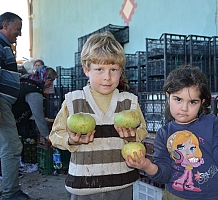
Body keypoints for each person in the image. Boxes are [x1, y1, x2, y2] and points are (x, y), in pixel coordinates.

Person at [125, 65, 218, 200]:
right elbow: (165, 175)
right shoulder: (164, 133)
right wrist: (147, 166)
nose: (184, 108)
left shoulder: (212, 123)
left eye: (192, 102)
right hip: (175, 196)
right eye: (178, 99)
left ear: (202, 102)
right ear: (168, 96)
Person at [49, 32, 148, 200]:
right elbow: (55, 134)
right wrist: (71, 140)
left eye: (113, 69)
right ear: (86, 69)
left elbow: (142, 131)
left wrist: (133, 138)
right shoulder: (74, 101)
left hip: (121, 185)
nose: (107, 77)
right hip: (84, 187)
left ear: (121, 70)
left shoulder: (129, 102)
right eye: (99, 69)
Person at [0, 12, 37, 200]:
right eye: (18, 29)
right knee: (12, 146)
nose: (20, 34)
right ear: (5, 25)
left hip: (5, 101)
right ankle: (10, 193)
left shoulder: (5, 46)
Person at [12, 66, 58, 139]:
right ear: (44, 78)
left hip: (7, 115)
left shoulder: (27, 81)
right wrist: (47, 136)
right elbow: (38, 115)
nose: (51, 83)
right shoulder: (34, 92)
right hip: (8, 119)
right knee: (13, 147)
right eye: (50, 80)